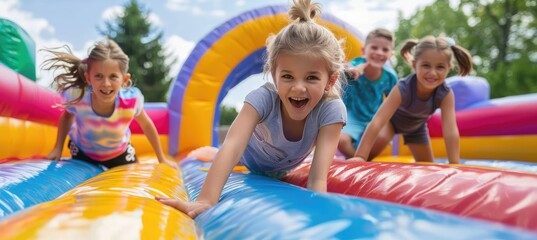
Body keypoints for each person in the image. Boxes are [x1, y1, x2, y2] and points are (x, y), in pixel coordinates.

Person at [157, 0, 347, 218]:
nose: (298, 87)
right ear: (274, 75)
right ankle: (206, 152)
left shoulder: (331, 110)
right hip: (247, 158)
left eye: (312, 77)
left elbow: (318, 177)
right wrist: (206, 200)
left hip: (286, 166)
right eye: (287, 76)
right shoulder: (263, 98)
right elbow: (233, 145)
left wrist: (319, 217)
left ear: (330, 81)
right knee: (216, 154)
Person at [43, 39, 177, 170]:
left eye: (113, 76)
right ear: (88, 78)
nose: (106, 83)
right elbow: (67, 117)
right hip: (83, 152)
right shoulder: (78, 96)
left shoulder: (131, 101)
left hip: (119, 153)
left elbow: (147, 125)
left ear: (124, 80)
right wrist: (57, 149)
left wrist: (161, 158)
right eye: (98, 76)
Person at [349, 35, 473, 164]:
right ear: (414, 64)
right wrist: (361, 156)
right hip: (391, 123)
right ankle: (357, 158)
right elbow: (377, 121)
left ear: (448, 68)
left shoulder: (445, 94)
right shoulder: (403, 88)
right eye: (426, 65)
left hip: (416, 128)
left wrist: (454, 163)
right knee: (377, 143)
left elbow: (450, 130)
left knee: (428, 166)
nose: (432, 73)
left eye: (440, 67)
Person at [337, 28, 398, 158]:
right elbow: (345, 69)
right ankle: (357, 161)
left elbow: (394, 101)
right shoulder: (357, 64)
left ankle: (365, 160)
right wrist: (351, 71)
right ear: (364, 50)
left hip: (376, 116)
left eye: (385, 50)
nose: (379, 53)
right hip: (354, 116)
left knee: (384, 137)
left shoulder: (390, 78)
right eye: (374, 48)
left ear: (391, 54)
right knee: (341, 141)